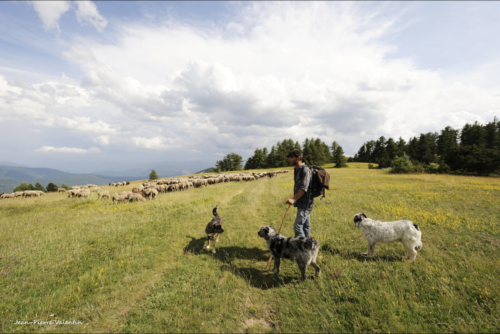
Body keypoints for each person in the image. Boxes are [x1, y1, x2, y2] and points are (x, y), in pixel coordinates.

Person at [286, 149, 314, 237]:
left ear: (298, 158)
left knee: (297, 227)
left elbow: (304, 188)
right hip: (301, 203)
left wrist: (293, 199)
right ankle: (309, 247)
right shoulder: (297, 169)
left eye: (291, 157)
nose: (289, 159)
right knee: (306, 226)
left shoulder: (305, 170)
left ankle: (301, 248)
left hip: (306, 204)